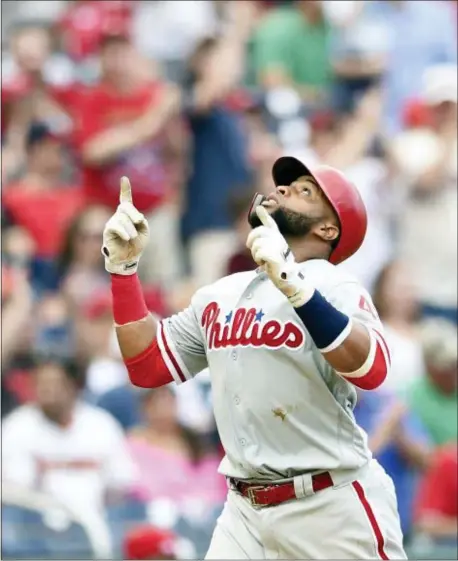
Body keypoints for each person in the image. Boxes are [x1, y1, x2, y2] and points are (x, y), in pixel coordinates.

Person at [101, 154, 406, 559]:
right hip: (245, 509)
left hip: (328, 502)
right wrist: (124, 272)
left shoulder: (334, 285)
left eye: (304, 191)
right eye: (285, 184)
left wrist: (295, 288)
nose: (282, 189)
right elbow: (149, 364)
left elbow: (372, 370)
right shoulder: (221, 292)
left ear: (327, 227)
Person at [2, 355, 137, 556]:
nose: (47, 390)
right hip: (37, 534)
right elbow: (16, 491)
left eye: (54, 383)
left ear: (74, 386)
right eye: (41, 383)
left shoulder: (100, 424)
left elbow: (122, 481)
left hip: (99, 526)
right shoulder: (18, 426)